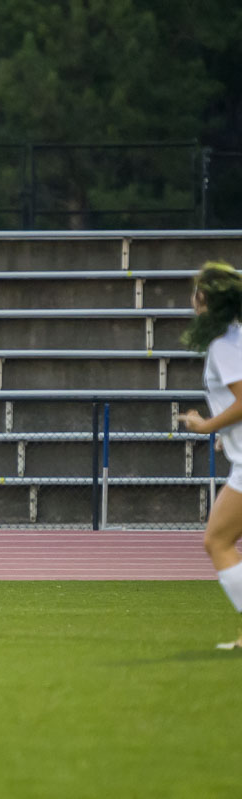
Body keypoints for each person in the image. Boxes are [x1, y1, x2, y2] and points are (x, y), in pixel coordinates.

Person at [176, 261, 242, 650]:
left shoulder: (223, 345)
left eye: (197, 293)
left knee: (216, 541)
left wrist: (208, 426)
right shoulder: (235, 338)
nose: (192, 301)